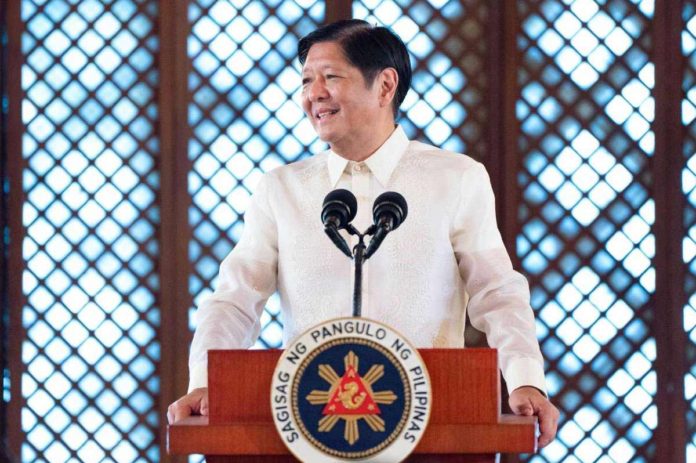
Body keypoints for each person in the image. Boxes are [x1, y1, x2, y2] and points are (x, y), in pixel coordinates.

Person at [168, 19, 560, 448]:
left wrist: (526, 380)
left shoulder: (456, 178)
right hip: (309, 426)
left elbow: (497, 293)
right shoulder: (281, 188)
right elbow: (236, 299)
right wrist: (205, 381)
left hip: (433, 422)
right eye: (306, 81)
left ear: (385, 86)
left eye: (330, 77)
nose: (313, 94)